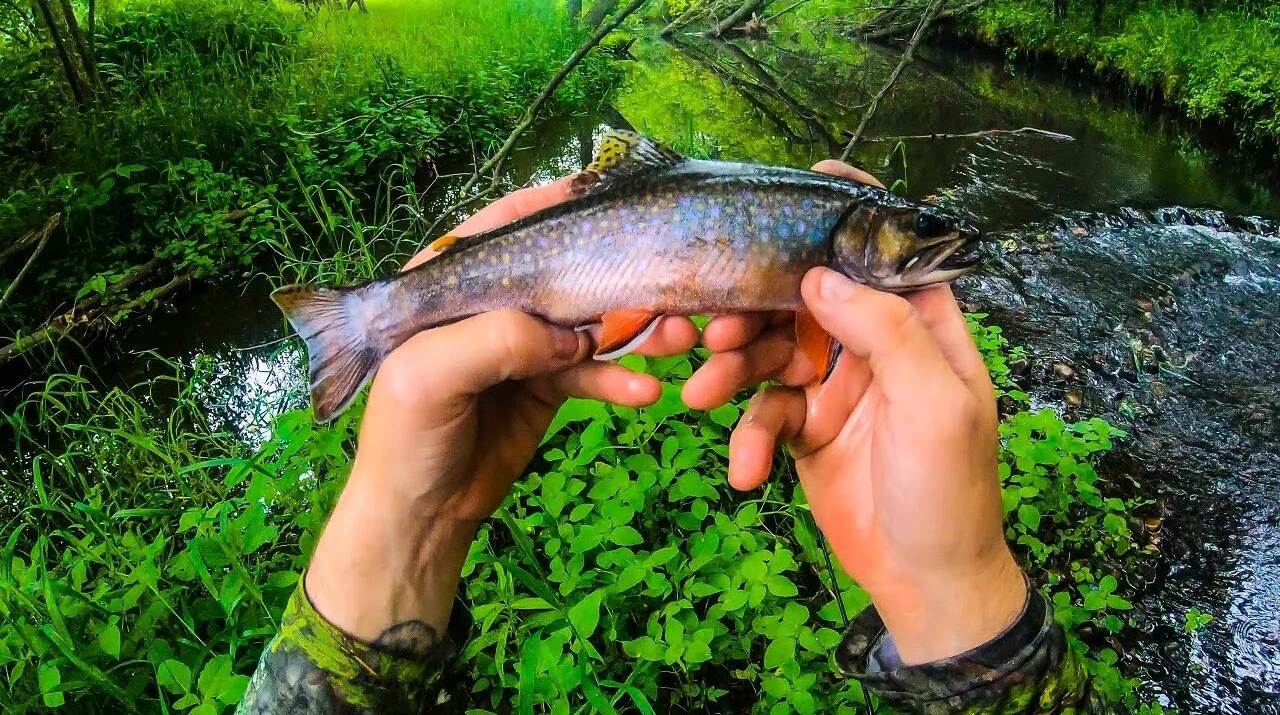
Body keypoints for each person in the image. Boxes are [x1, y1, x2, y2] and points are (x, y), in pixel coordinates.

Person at [235, 161, 1113, 715]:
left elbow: (814, 338)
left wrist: (948, 585)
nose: (930, 245)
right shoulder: (831, 224)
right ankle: (363, 319)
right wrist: (964, 608)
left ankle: (366, 317)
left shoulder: (829, 225)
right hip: (586, 255)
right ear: (860, 240)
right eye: (914, 232)